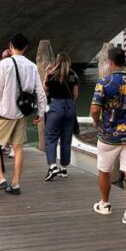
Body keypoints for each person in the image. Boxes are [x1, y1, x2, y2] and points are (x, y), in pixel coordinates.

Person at [90, 46, 126, 226]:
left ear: (111, 62)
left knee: (104, 170)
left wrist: (96, 121)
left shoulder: (104, 83)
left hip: (109, 135)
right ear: (125, 61)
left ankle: (105, 204)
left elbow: (94, 109)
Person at [0, 33, 46, 196]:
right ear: (25, 48)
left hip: (5, 111)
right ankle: (16, 184)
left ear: (11, 46)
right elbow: (40, 92)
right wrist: (41, 112)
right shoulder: (32, 66)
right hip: (21, 112)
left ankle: (0, 179)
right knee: (18, 148)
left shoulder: (5, 64)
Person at [43, 52, 79, 181]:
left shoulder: (52, 74)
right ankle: (64, 168)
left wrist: (46, 73)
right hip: (69, 107)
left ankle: (53, 166)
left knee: (51, 137)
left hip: (55, 106)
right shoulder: (73, 74)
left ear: (57, 61)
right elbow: (75, 94)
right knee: (66, 138)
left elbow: (44, 89)